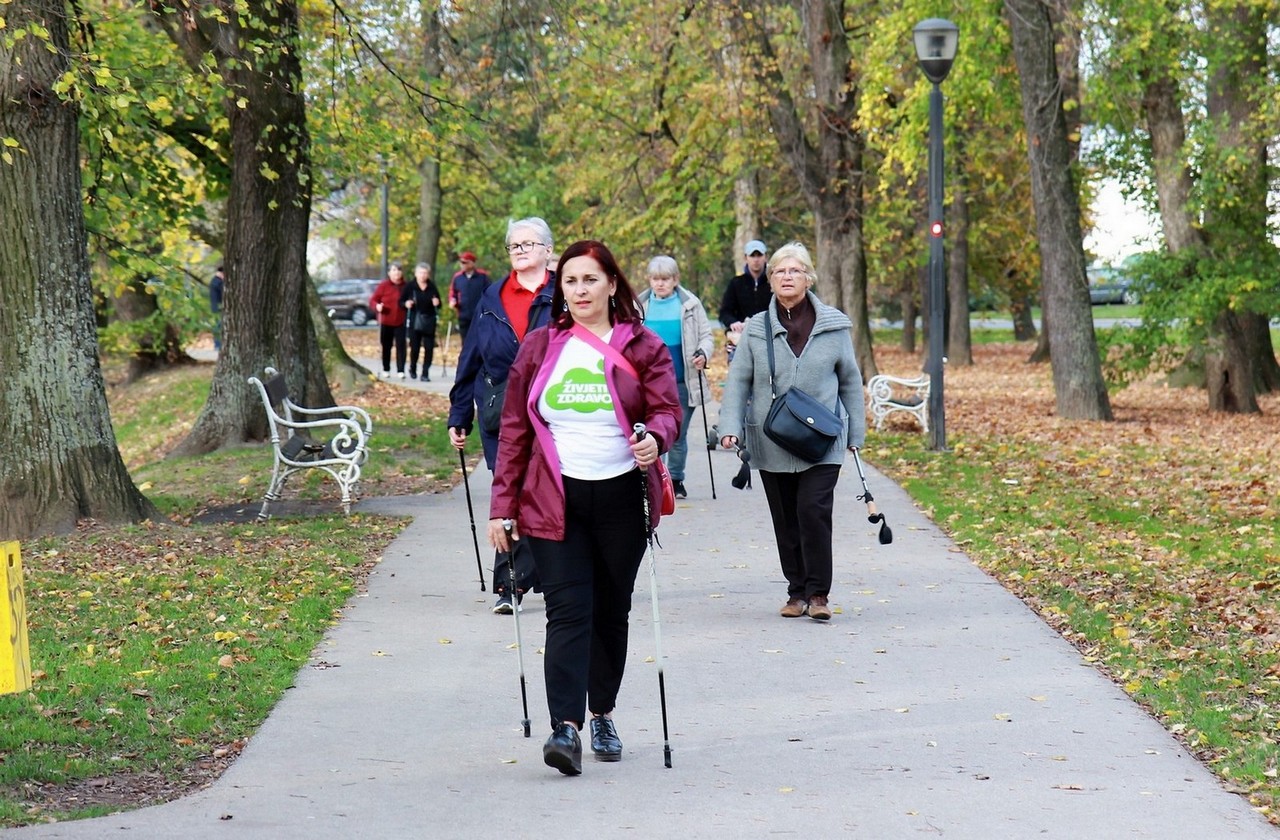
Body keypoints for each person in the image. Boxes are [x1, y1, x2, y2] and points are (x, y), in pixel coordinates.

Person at [487, 239, 680, 776]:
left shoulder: (642, 345)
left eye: (590, 280)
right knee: (567, 611)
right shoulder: (541, 346)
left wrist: (656, 440)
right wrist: (502, 507)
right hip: (553, 497)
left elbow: (668, 409)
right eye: (570, 281)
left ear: (612, 284)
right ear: (561, 289)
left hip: (621, 496)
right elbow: (515, 431)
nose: (580, 290)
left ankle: (603, 713)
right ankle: (565, 729)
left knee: (611, 610)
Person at [717, 241, 865, 622]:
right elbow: (738, 382)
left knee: (812, 510)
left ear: (808, 278)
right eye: (780, 271)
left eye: (795, 270)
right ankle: (795, 591)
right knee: (786, 517)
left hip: (823, 439)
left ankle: (818, 594)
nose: (787, 276)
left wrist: (855, 434)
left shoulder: (834, 325)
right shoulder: (755, 328)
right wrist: (730, 427)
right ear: (770, 280)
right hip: (773, 438)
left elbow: (850, 381)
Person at [448, 218, 556, 614]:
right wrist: (459, 413)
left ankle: (549, 573)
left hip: (554, 409)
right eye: (515, 245)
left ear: (548, 249)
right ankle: (508, 585)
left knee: (547, 493)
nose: (522, 250)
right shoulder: (492, 296)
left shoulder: (565, 293)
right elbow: (471, 357)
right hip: (501, 409)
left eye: (530, 243)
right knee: (511, 491)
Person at [636, 255, 713, 499]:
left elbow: (706, 336)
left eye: (665, 279)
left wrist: (703, 353)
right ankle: (656, 479)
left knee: (677, 433)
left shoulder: (690, 304)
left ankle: (677, 479)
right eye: (655, 279)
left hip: (682, 379)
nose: (660, 284)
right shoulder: (640, 304)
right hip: (648, 382)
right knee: (651, 433)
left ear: (675, 279)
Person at [719, 239, 771, 362]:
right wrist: (733, 323)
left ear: (766, 257)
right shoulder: (736, 283)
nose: (756, 259)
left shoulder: (774, 283)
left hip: (768, 338)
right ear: (746, 258)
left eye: (759, 255)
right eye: (752, 255)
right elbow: (724, 312)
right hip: (740, 338)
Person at [402, 262, 442, 381]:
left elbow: (439, 304)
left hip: (429, 320)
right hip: (415, 320)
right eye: (420, 272)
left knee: (429, 348)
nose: (423, 275)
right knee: (415, 348)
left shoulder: (432, 286)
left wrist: (437, 303)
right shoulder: (410, 286)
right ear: (416, 273)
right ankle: (413, 368)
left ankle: (425, 373)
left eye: (425, 273)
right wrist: (406, 304)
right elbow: (401, 302)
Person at [369, 263, 409, 378]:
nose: (397, 272)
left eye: (399, 270)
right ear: (389, 273)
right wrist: (377, 306)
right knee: (386, 345)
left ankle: (400, 370)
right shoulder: (384, 286)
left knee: (401, 345)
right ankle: (386, 368)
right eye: (394, 270)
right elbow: (373, 300)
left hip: (401, 320)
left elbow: (411, 298)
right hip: (386, 320)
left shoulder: (406, 286)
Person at [448, 251, 491, 344]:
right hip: (463, 314)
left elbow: (489, 293)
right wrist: (452, 300)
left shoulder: (482, 276)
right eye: (460, 262)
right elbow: (453, 292)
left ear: (472, 263)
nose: (461, 265)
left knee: (479, 340)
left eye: (464, 262)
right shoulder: (457, 277)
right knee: (465, 341)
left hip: (480, 314)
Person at [210, 265, 225, 351]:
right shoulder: (218, 282)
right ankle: (218, 345)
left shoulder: (214, 281)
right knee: (219, 326)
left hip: (215, 307)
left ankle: (218, 344)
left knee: (218, 326)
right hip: (219, 307)